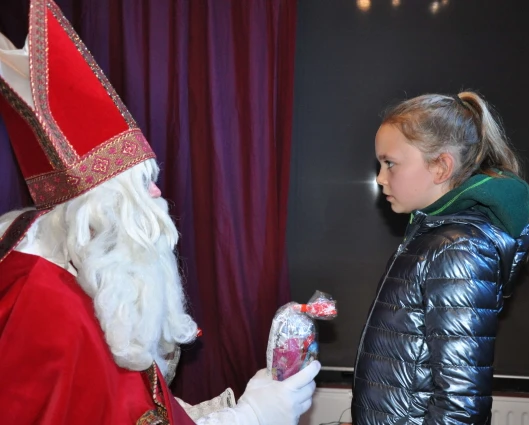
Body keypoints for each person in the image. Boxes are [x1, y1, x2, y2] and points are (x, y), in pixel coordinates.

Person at [0, 1, 319, 424]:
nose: (157, 192)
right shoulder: (48, 304)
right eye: (141, 181)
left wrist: (235, 411)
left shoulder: (76, 273)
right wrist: (255, 416)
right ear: (95, 205)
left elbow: (128, 408)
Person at [351, 92, 529, 424]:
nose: (380, 177)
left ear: (440, 167)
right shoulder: (432, 239)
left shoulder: (459, 250)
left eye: (389, 163)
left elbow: (460, 406)